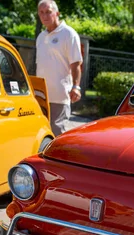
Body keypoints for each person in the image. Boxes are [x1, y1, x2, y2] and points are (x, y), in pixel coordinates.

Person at [36, 0, 83, 136]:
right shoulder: (41, 37)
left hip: (60, 95)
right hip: (41, 95)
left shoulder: (69, 34)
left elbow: (76, 64)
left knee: (57, 132)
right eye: (41, 12)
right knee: (42, 134)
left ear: (57, 13)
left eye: (48, 12)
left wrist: (76, 87)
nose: (45, 16)